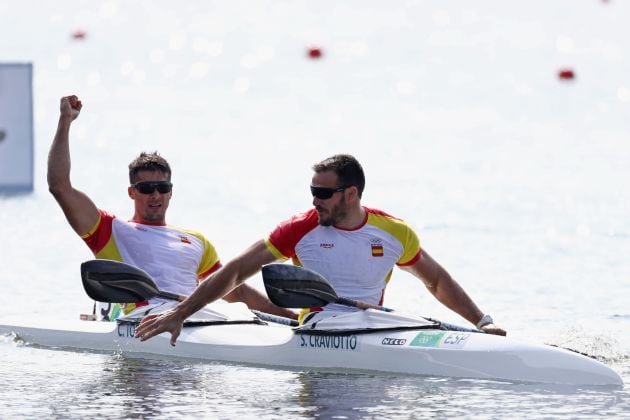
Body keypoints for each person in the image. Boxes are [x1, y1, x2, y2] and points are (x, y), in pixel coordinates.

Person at [136, 154, 506, 345]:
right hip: (319, 327)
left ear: (351, 194)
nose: (315, 201)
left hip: (379, 325)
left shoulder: (394, 232)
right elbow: (233, 271)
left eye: (324, 194)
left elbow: (436, 280)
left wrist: (482, 322)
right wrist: (181, 313)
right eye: (312, 192)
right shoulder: (300, 229)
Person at [48, 94, 296, 320]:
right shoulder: (110, 230)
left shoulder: (197, 240)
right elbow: (60, 186)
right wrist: (65, 121)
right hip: (144, 318)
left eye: (162, 188)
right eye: (146, 189)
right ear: (131, 193)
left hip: (195, 318)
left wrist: (292, 319)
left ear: (171, 192)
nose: (155, 195)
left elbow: (235, 291)